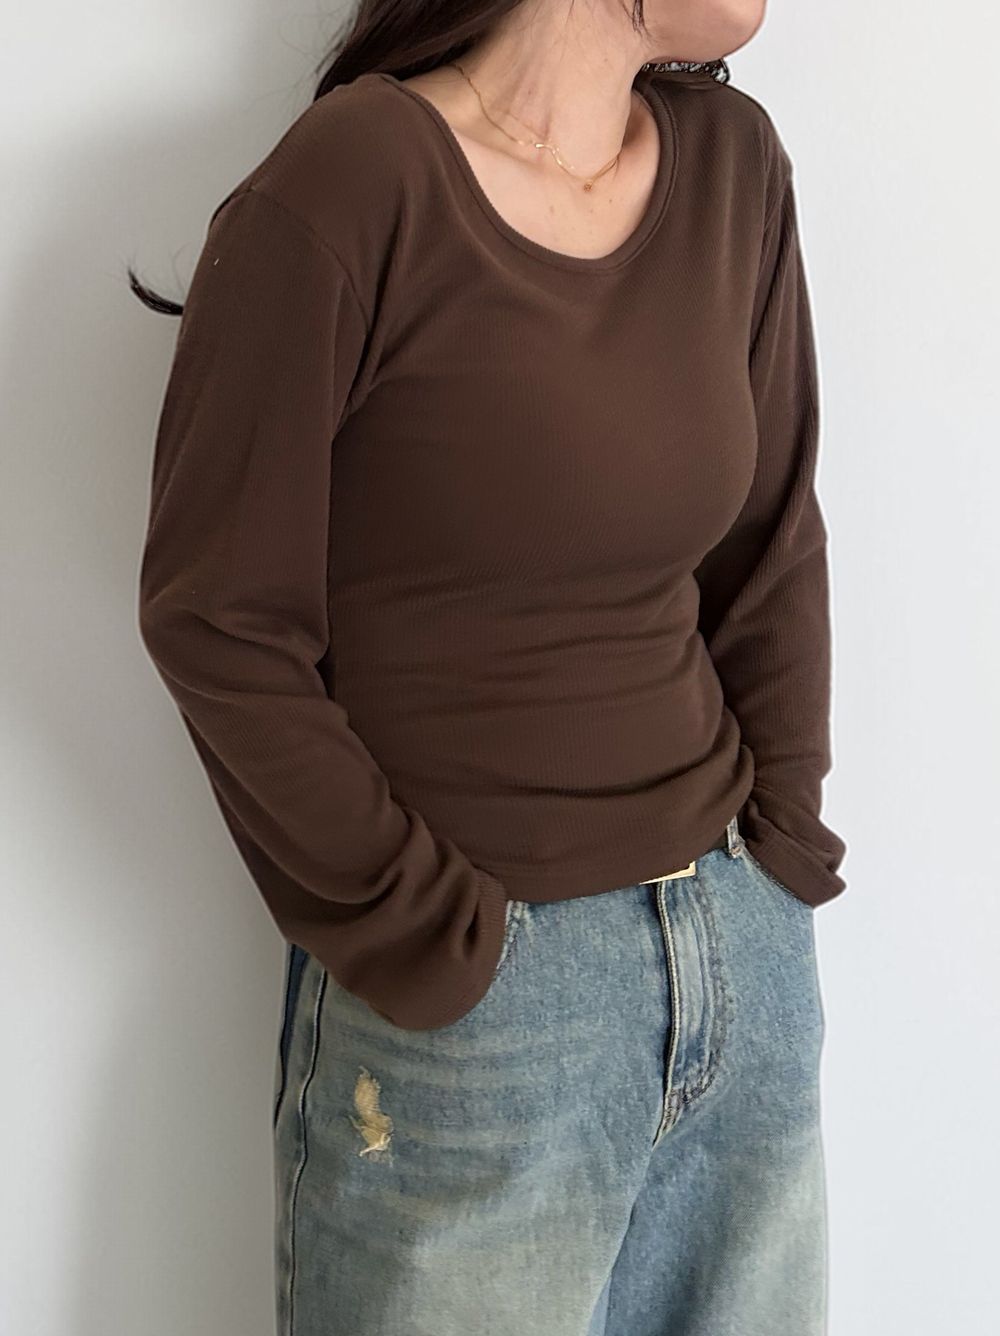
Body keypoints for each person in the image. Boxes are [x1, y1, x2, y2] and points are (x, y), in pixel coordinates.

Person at [132, 1, 848, 1332]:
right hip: (482, 1011)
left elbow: (771, 543)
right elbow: (218, 617)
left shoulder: (733, 165)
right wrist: (427, 933)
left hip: (735, 964)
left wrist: (781, 856)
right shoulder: (352, 184)